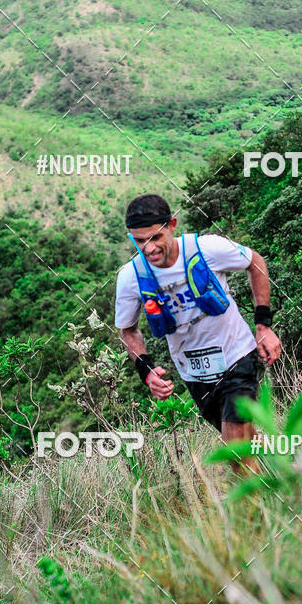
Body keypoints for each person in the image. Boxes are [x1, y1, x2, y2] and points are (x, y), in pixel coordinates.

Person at [115, 194, 281, 460]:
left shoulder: (207, 249)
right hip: (193, 373)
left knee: (234, 448)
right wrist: (146, 371)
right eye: (139, 241)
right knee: (244, 439)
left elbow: (255, 262)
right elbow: (128, 330)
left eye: (155, 238)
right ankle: (290, 469)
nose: (149, 249)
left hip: (237, 354)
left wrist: (264, 325)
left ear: (172, 224)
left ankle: (251, 502)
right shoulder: (130, 277)